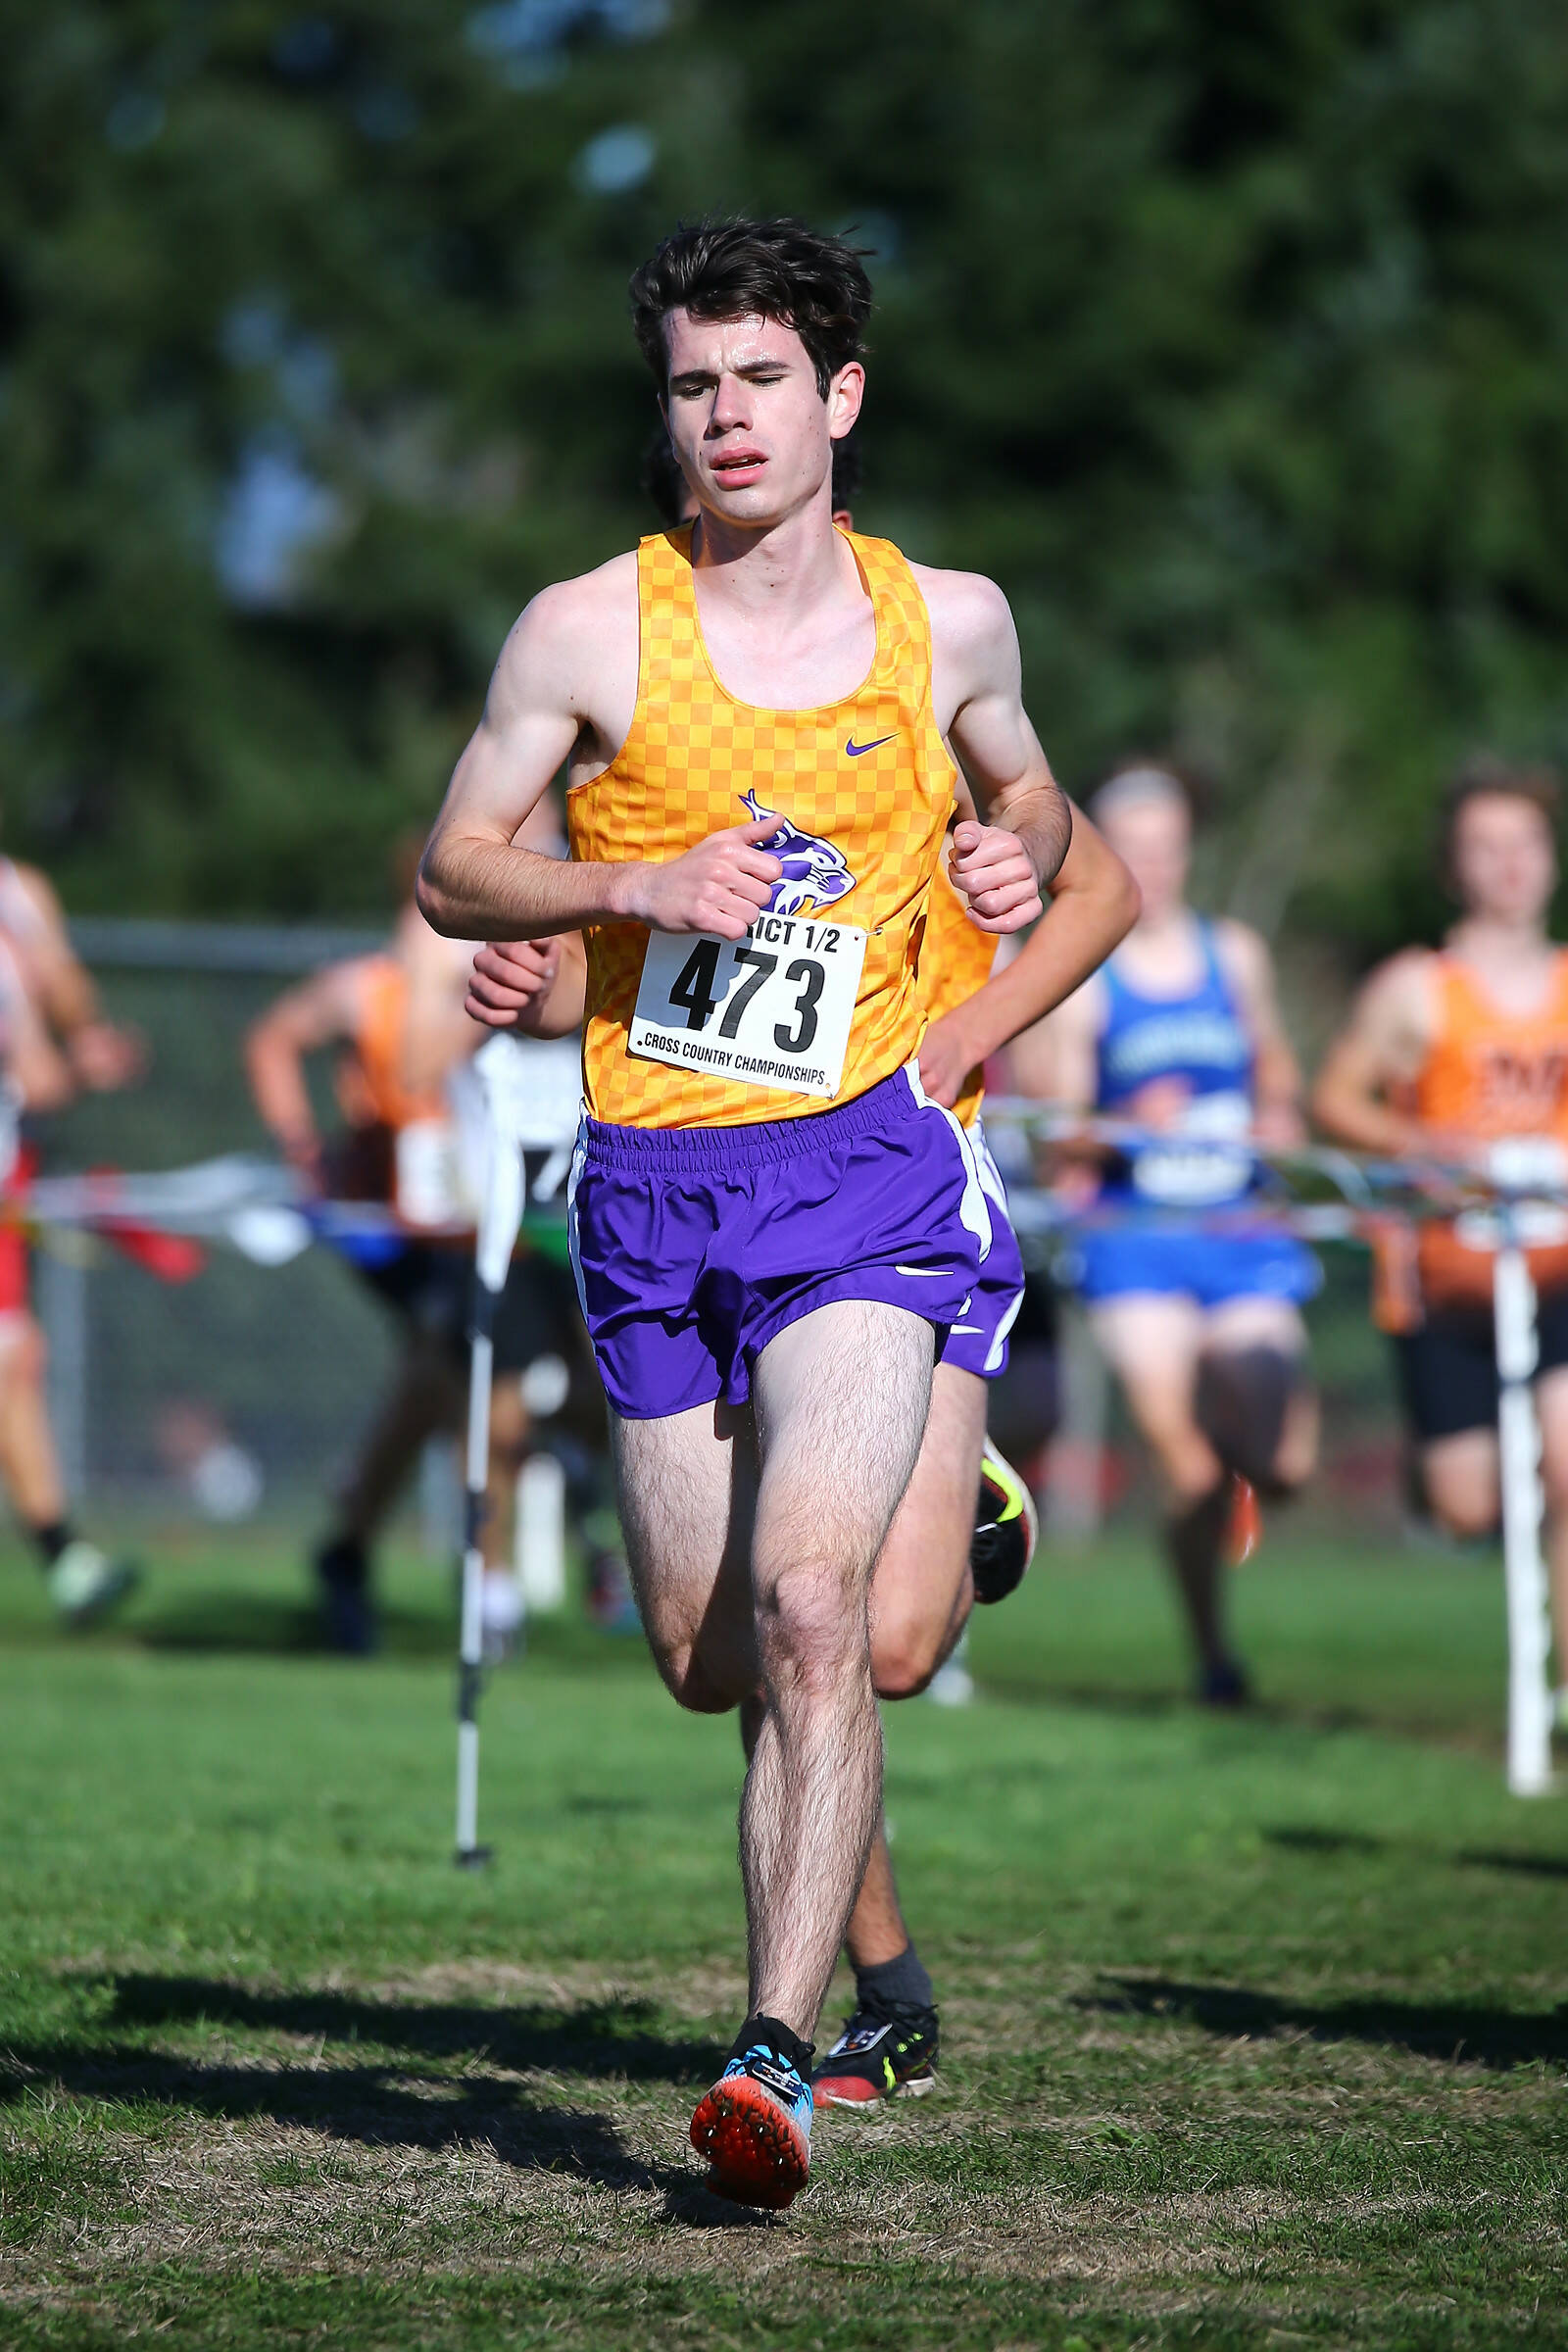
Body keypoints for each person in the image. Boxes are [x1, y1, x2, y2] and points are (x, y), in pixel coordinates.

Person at [418, 217, 1131, 2208]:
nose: (721, 417)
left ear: (836, 399)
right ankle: (941, 1494)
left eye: (756, 380)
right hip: (652, 1192)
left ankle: (774, 2060)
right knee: (703, 1653)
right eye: (688, 384)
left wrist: (1011, 876)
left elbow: (1044, 818)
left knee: (835, 1622)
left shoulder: (952, 621)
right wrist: (621, 896)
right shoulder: (582, 630)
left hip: (869, 1176)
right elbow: (457, 866)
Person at [246, 863, 594, 1654]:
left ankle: (355, 1542)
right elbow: (361, 1057)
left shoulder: (579, 946)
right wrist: (304, 1145)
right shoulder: (383, 986)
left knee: (457, 1387)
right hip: (425, 1229)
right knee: (477, 1386)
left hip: (541, 1227)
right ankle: (491, 1586)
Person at [1030, 762, 1319, 1704]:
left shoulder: (1232, 954)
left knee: (1283, 1464)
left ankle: (1248, 1476)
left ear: (1189, 847)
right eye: (1132, 843)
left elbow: (1276, 1070)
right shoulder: (1081, 965)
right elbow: (1050, 1133)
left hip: (1240, 1231)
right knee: (1187, 1464)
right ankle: (1214, 1658)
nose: (1152, 861)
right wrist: (1123, 1126)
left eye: (1167, 842)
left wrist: (1278, 1113)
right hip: (1134, 1238)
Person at [1313, 758, 1568, 1715]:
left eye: (1524, 844)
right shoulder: (1415, 989)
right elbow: (1333, 1098)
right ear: (1455, 867)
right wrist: (1418, 1140)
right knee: (1469, 1505)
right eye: (1485, 847)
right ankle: (1443, 1489)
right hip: (1446, 1282)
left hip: (1556, 1273)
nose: (1508, 865)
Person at [0, 844, 146, 1624]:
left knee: (13, 1358)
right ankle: (65, 1560)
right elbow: (37, 1071)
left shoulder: (19, 890)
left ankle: (66, 1561)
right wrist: (65, 1072)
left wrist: (85, 1033)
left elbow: (59, 984)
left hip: (8, 1166)